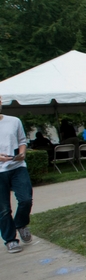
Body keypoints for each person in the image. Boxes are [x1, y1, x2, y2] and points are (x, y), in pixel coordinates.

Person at [0, 96, 33, 254]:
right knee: (4, 208)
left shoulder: (14, 121)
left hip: (17, 166)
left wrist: (22, 152)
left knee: (26, 199)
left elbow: (22, 140)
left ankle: (21, 223)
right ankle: (10, 239)